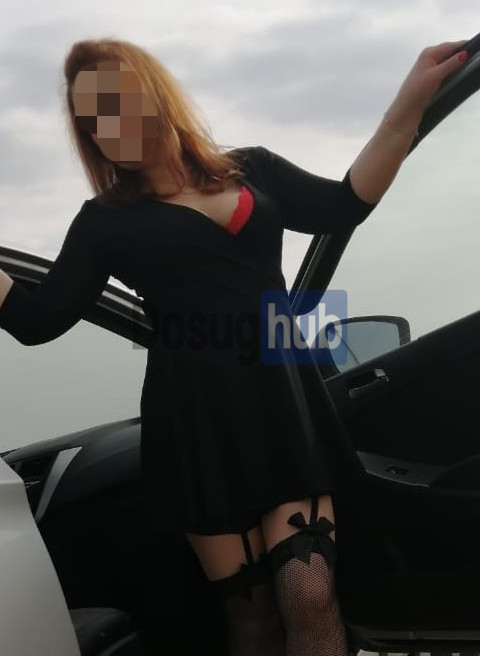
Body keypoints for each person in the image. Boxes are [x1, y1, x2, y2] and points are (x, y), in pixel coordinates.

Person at [0, 37, 468, 656]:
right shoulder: (103, 222)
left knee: (311, 594)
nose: (111, 123)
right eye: (93, 118)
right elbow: (37, 320)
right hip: (195, 426)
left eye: (118, 100)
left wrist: (410, 101)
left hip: (282, 405)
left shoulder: (253, 168)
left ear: (153, 94)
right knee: (254, 620)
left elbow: (343, 205)